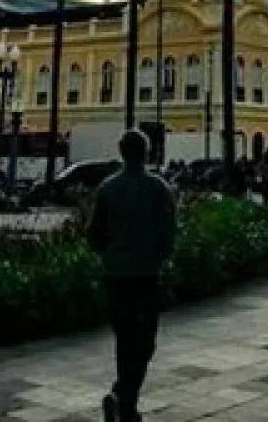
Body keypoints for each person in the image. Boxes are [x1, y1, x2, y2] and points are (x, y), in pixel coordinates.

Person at [88, 130, 177, 422]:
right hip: (146, 274)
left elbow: (93, 234)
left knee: (125, 338)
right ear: (147, 152)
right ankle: (124, 400)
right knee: (145, 340)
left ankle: (122, 398)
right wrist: (158, 257)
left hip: (116, 273)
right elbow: (168, 233)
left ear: (121, 152)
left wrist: (109, 254)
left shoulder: (107, 188)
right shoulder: (158, 188)